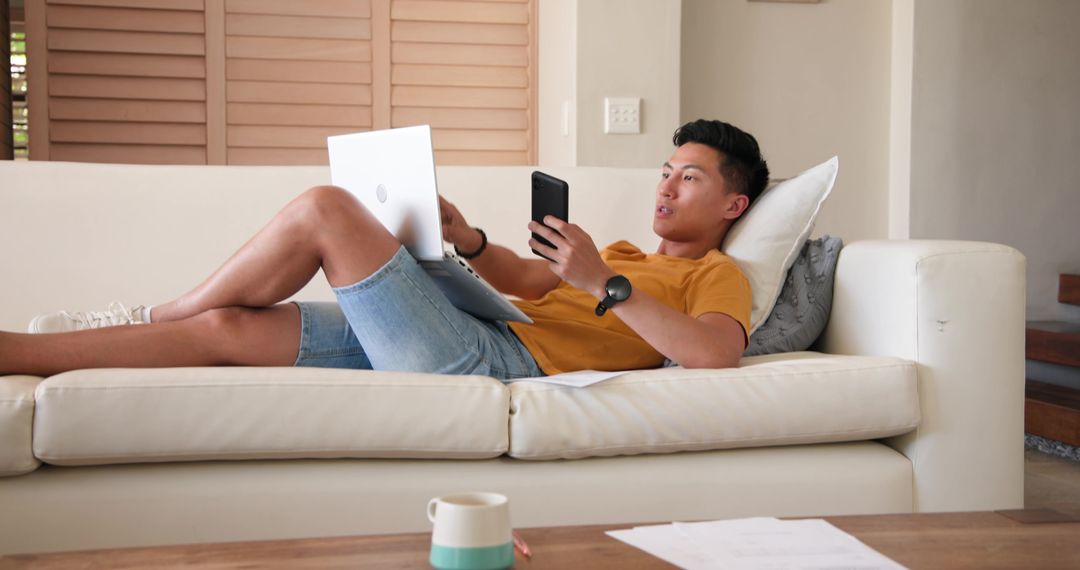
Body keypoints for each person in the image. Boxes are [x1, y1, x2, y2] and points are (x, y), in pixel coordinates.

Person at [0, 119, 769, 379]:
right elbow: (531, 284)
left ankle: (157, 311)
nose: (666, 186)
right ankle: (17, 353)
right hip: (478, 323)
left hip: (501, 361)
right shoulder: (629, 248)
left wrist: (604, 282)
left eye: (690, 178)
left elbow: (715, 355)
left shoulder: (717, 273)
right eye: (665, 171)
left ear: (733, 205)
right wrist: (465, 239)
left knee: (326, 209)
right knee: (226, 329)